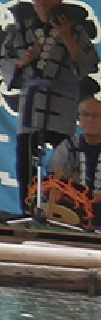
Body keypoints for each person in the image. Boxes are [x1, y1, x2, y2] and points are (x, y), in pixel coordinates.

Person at [0, 0, 98, 216]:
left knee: (65, 159)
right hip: (31, 102)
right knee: (26, 159)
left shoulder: (75, 30)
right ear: (34, 2)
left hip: (62, 101)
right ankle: (28, 211)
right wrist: (22, 62)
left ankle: (66, 211)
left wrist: (66, 36)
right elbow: (3, 60)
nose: (44, 1)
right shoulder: (18, 30)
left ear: (59, 0)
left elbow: (88, 64)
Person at [40, 97, 101, 228]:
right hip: (75, 209)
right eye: (85, 114)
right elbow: (56, 180)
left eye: (96, 116)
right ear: (79, 118)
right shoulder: (68, 146)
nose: (90, 119)